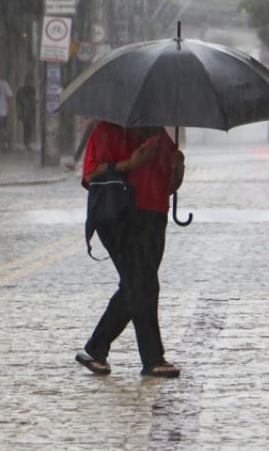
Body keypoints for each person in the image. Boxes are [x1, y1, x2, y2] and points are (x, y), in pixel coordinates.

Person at [76, 122, 186, 378]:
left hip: (154, 217)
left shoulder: (159, 136)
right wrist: (131, 163)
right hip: (118, 217)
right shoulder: (106, 131)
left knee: (136, 285)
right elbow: (91, 175)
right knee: (142, 284)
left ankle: (96, 348)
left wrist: (178, 167)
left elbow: (169, 187)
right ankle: (152, 359)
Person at [16, 84, 36, 149]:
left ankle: (27, 143)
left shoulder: (31, 91)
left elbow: (34, 101)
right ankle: (27, 143)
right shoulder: (21, 92)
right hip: (25, 112)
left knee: (29, 128)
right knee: (27, 128)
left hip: (30, 112)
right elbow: (18, 103)